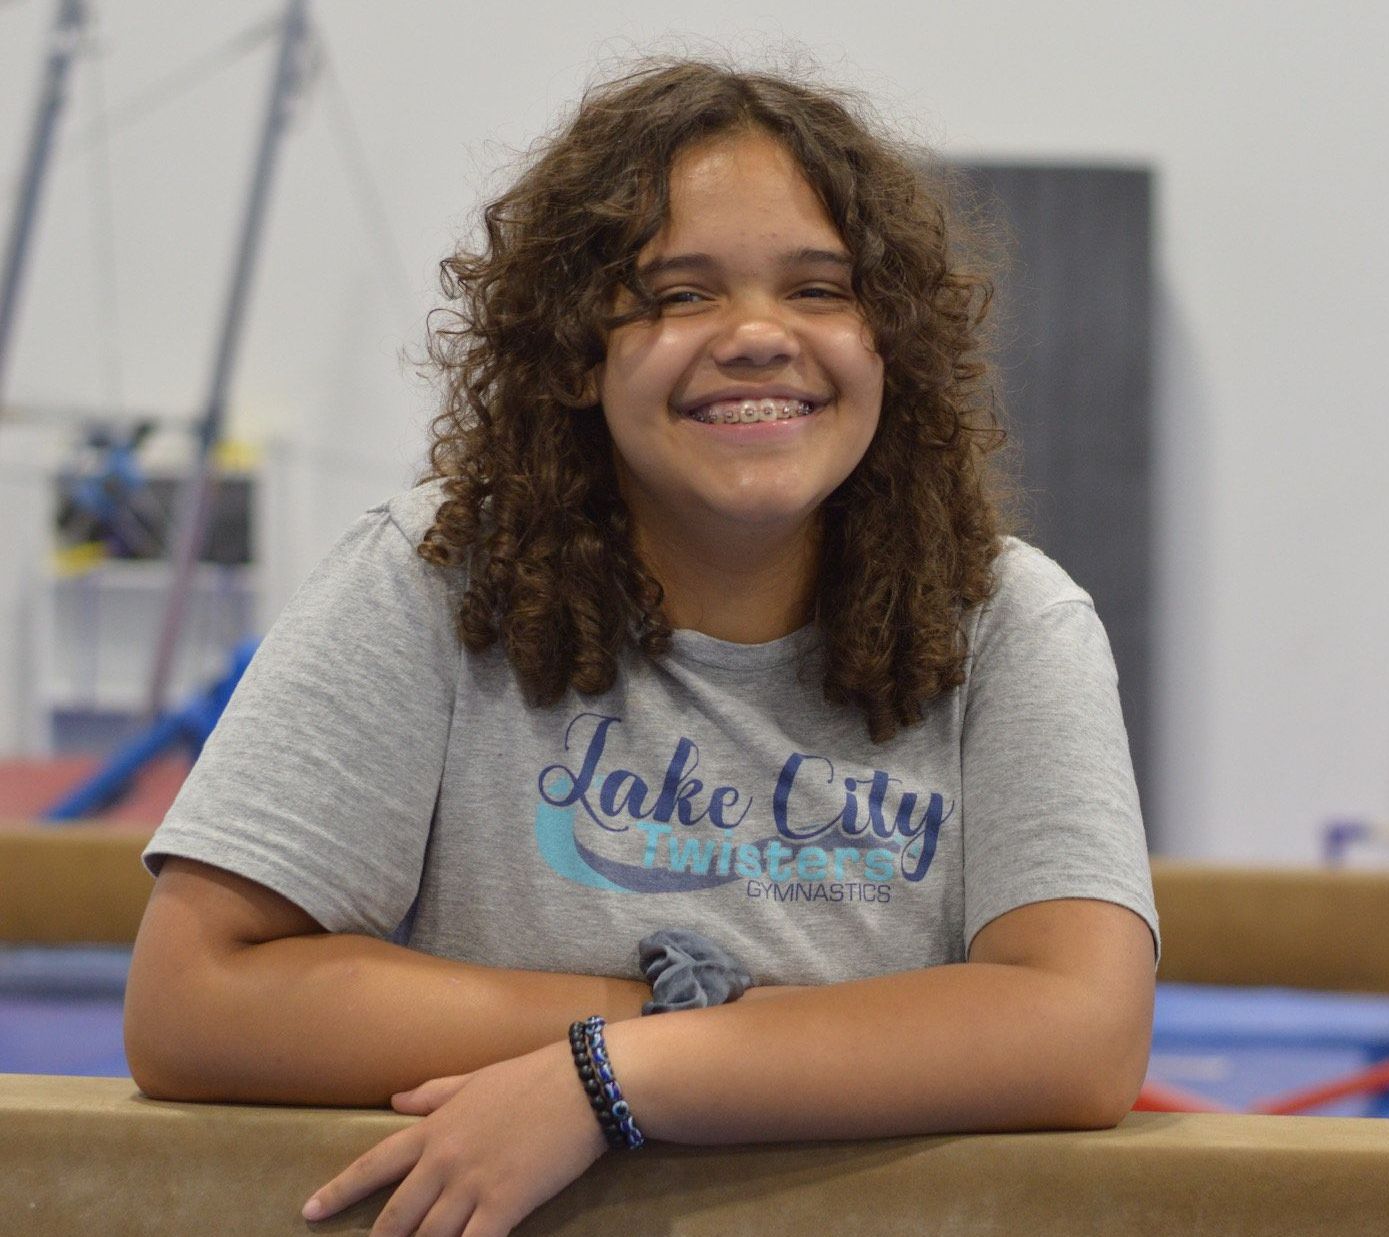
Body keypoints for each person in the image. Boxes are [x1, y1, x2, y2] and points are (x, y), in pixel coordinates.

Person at [124, 57, 1159, 1235]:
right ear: (574, 349)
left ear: (893, 345)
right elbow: (193, 999)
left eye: (820, 289)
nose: (759, 335)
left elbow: (1080, 1031)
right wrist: (657, 1014)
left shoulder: (1009, 623)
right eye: (678, 294)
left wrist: (611, 1077)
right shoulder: (431, 584)